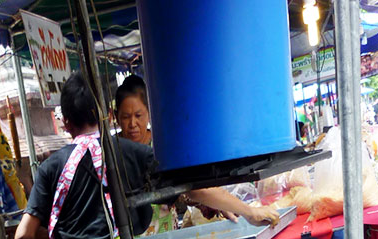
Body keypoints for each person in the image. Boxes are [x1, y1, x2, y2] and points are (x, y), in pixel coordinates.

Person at [13, 72, 155, 239]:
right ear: (107, 114)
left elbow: (23, 236)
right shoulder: (134, 152)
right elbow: (193, 189)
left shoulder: (50, 167)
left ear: (66, 122)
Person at [114, 75, 280, 228]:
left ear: (150, 114)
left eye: (138, 115)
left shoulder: (163, 146)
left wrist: (214, 204)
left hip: (165, 233)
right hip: (128, 238)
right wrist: (248, 212)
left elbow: (189, 188)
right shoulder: (114, 153)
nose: (133, 123)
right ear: (116, 117)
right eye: (126, 117)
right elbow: (196, 190)